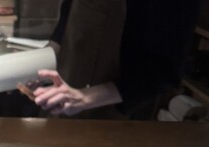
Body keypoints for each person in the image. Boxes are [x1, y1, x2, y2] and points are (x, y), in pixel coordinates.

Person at [30, 0, 202, 119]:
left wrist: (83, 98)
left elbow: (163, 69)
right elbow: (70, 13)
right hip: (67, 90)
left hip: (117, 112)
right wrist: (44, 58)